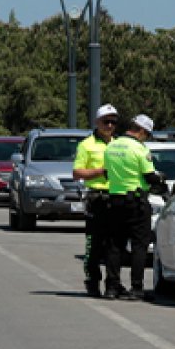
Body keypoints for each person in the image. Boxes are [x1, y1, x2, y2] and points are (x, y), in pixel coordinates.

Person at [103, 114, 164, 301]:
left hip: (114, 201)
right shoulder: (140, 149)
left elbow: (106, 173)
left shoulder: (111, 146)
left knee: (114, 245)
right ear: (142, 131)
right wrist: (160, 182)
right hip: (136, 202)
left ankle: (112, 288)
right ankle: (136, 288)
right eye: (147, 134)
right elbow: (149, 177)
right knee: (139, 245)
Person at [72, 104, 119, 298]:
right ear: (97, 122)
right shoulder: (86, 144)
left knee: (114, 245)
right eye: (105, 121)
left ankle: (112, 285)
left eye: (113, 122)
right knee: (94, 244)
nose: (109, 125)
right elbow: (77, 173)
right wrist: (100, 171)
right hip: (96, 197)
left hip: (116, 197)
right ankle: (92, 281)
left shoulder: (119, 144)